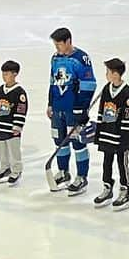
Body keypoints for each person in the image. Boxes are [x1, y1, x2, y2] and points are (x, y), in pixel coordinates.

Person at [47, 27, 96, 195]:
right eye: (55, 45)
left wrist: (81, 108)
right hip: (58, 107)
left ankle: (82, 176)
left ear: (68, 41)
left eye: (59, 44)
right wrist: (50, 104)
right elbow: (52, 81)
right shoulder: (55, 58)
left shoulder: (81, 59)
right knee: (59, 141)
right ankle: (63, 171)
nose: (57, 48)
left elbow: (89, 84)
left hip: (73, 110)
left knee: (78, 143)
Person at [92, 57, 129, 211]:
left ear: (116, 74)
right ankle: (107, 187)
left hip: (120, 137)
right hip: (106, 134)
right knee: (106, 162)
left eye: (108, 72)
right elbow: (101, 111)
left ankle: (125, 190)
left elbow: (128, 117)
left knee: (121, 164)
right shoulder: (106, 89)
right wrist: (98, 132)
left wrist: (126, 139)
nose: (106, 75)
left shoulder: (127, 93)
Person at [0, 60, 27, 186]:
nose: (4, 76)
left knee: (14, 150)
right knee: (2, 150)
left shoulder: (19, 92)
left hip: (12, 128)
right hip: (1, 126)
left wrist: (18, 125)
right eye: (3, 74)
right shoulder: (1, 89)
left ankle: (16, 170)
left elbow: (21, 109)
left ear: (15, 74)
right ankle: (5, 167)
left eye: (7, 74)